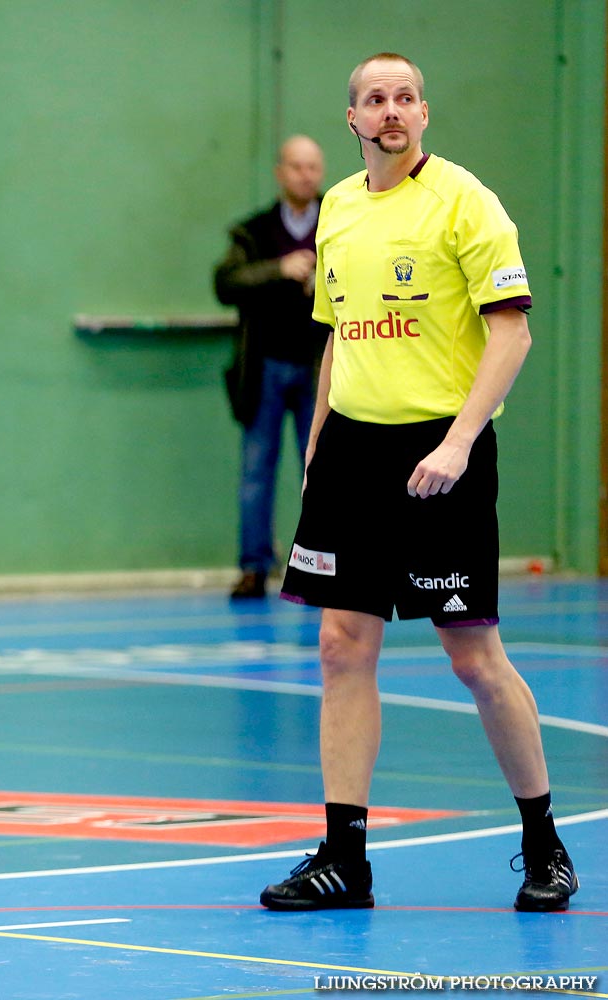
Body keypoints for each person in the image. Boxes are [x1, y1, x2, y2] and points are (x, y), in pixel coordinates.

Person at [261, 53, 577, 912]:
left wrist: (458, 441)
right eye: (373, 99)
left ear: (423, 114)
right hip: (351, 457)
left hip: (440, 454)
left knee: (470, 654)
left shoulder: (466, 202)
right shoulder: (337, 208)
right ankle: (343, 858)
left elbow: (509, 334)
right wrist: (317, 445)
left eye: (403, 97)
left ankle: (544, 843)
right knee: (339, 648)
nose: (389, 111)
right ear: (353, 120)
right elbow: (338, 335)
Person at [214, 136, 327, 600]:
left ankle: (317, 569)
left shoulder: (342, 224)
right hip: (265, 370)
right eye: (296, 167)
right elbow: (227, 282)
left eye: (313, 167)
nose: (305, 175)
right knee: (256, 471)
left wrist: (324, 280)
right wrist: (279, 270)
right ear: (281, 173)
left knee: (319, 473)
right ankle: (253, 566)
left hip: (322, 371)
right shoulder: (253, 232)